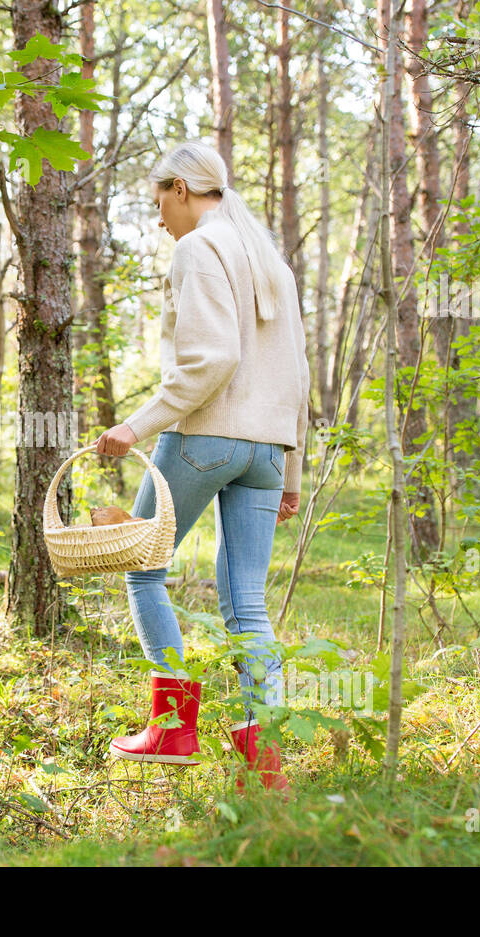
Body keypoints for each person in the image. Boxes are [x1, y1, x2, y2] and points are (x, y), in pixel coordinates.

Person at [93, 140, 310, 793]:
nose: (159, 217)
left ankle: (173, 728)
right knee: (248, 603)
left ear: (181, 189)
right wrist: (291, 474)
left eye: (159, 201)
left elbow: (212, 360)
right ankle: (263, 758)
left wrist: (136, 425)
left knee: (142, 569)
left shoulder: (198, 249)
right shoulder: (268, 259)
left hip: (204, 438)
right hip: (267, 451)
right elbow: (297, 375)